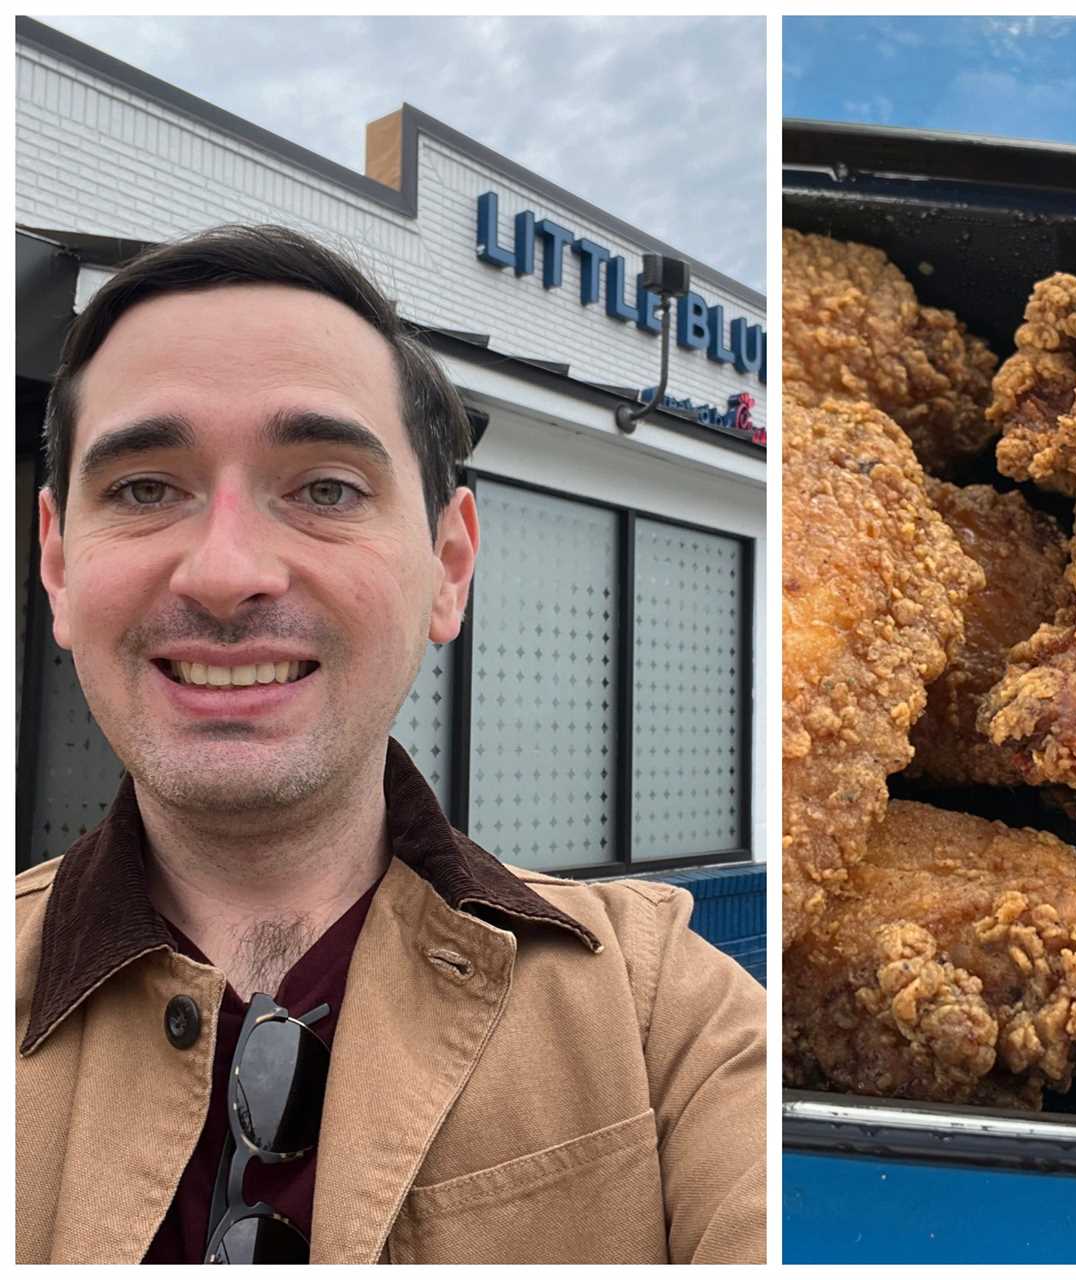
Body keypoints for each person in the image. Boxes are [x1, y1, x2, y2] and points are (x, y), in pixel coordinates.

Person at [15, 225, 765, 1265]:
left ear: (448, 563)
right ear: (56, 564)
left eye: (324, 487)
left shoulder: (659, 1015)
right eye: (145, 487)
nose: (226, 571)